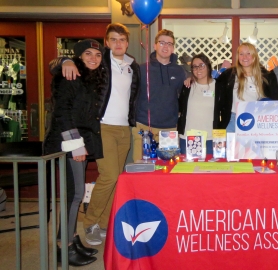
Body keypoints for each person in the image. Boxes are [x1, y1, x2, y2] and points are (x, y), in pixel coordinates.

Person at [50, 23, 141, 246]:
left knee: (117, 179)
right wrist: (65, 60)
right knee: (108, 176)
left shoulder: (132, 66)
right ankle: (90, 221)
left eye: (122, 40)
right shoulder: (100, 62)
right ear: (107, 42)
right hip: (103, 127)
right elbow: (58, 65)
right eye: (113, 39)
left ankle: (102, 224)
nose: (118, 43)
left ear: (127, 43)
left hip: (124, 129)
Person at [44, 39, 107, 266]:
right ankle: (64, 248)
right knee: (74, 196)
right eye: (88, 54)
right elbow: (62, 112)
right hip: (67, 145)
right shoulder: (67, 75)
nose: (93, 58)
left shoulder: (87, 79)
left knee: (76, 194)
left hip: (78, 142)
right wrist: (75, 145)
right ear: (78, 56)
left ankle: (70, 238)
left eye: (97, 55)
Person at [132, 29, 186, 161]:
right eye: (162, 43)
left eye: (169, 44)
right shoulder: (141, 69)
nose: (165, 46)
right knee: (142, 170)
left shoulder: (180, 72)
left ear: (173, 48)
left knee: (168, 172)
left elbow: (183, 97)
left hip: (169, 129)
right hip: (144, 128)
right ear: (155, 45)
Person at [213, 42, 278, 131]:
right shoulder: (228, 75)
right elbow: (211, 84)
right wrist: (192, 80)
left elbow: (274, 101)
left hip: (256, 122)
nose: (244, 57)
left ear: (254, 56)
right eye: (241, 54)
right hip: (232, 121)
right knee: (230, 145)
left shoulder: (267, 77)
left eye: (248, 53)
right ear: (238, 57)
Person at [178, 53, 215, 154]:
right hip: (188, 137)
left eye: (201, 65)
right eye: (195, 67)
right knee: (188, 169)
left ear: (208, 66)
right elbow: (180, 108)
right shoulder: (187, 86)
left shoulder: (219, 87)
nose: (198, 69)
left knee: (209, 169)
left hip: (210, 138)